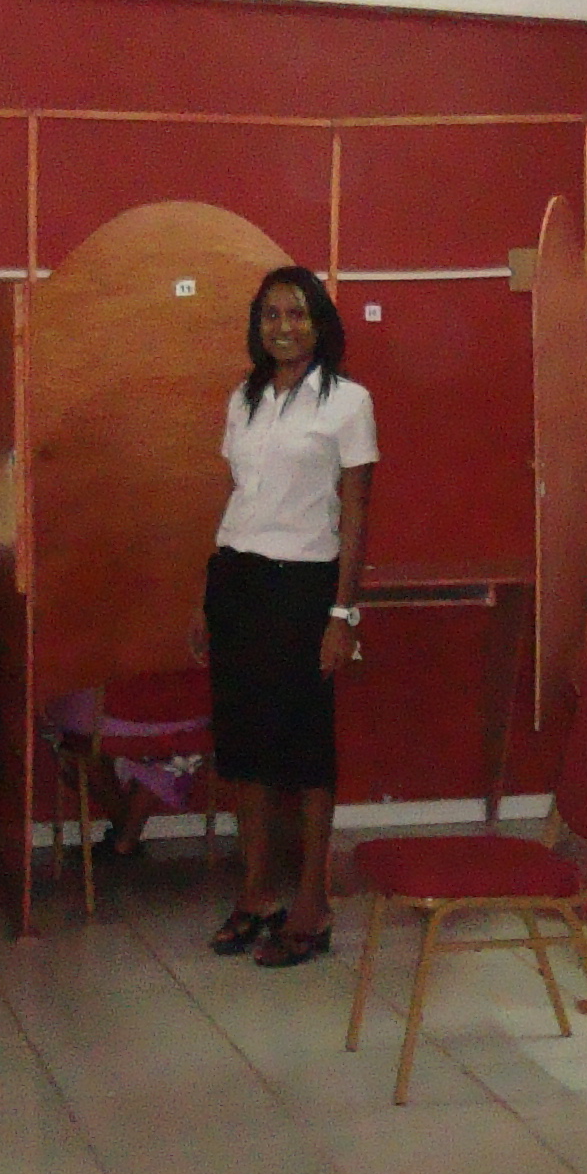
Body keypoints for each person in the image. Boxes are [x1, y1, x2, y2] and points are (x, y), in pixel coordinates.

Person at [196, 266, 375, 969]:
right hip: (237, 582)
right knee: (243, 748)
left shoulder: (348, 402)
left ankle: (311, 903)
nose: (283, 327)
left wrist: (342, 612)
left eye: (297, 314)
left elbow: (356, 512)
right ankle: (257, 893)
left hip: (304, 587)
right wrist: (206, 596)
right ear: (257, 326)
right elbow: (237, 497)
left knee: (304, 750)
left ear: (319, 322)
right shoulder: (243, 399)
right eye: (271, 315)